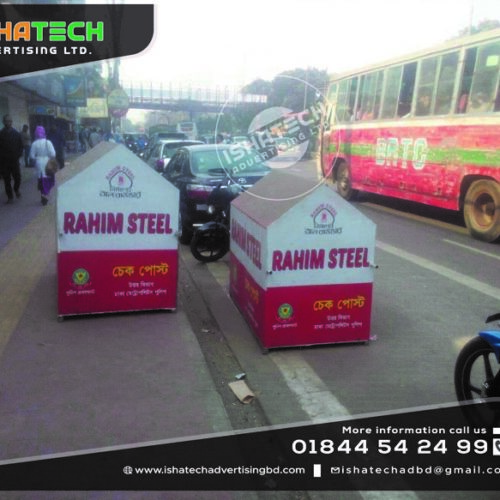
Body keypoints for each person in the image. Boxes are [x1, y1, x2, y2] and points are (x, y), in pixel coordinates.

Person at [29, 125, 56, 206]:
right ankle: (46, 194)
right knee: (49, 179)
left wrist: (38, 157)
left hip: (39, 163)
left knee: (41, 179)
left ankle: (43, 195)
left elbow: (31, 156)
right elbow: (53, 154)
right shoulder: (48, 142)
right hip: (48, 163)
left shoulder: (34, 143)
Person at [0, 114, 24, 203]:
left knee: (17, 178)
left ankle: (16, 189)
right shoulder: (1, 134)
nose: (8, 123)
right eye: (7, 121)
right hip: (4, 162)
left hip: (14, 161)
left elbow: (21, 146)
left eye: (10, 121)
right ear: (3, 122)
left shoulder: (16, 134)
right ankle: (10, 197)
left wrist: (18, 155)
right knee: (7, 180)